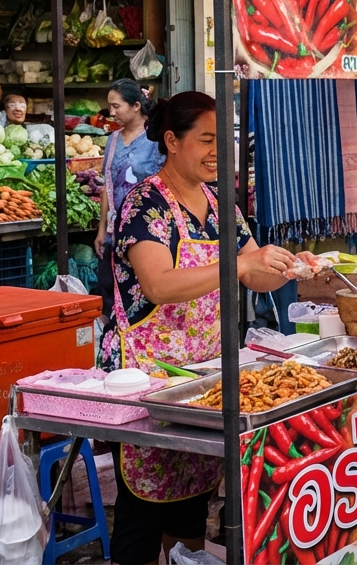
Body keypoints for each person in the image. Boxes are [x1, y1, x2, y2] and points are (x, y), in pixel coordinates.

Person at [101, 91, 320, 565]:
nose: (219, 152)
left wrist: (287, 267)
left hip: (202, 375)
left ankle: (189, 557)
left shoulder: (221, 204)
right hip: (147, 376)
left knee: (192, 496)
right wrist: (240, 265)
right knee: (142, 505)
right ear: (172, 142)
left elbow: (253, 270)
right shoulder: (144, 205)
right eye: (206, 139)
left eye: (224, 140)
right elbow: (158, 285)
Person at [94, 79, 166, 296]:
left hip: (148, 227)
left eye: (117, 106)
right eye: (110, 106)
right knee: (109, 291)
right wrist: (101, 230)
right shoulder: (113, 140)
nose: (111, 112)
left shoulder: (156, 139)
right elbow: (108, 184)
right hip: (115, 232)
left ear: (136, 106)